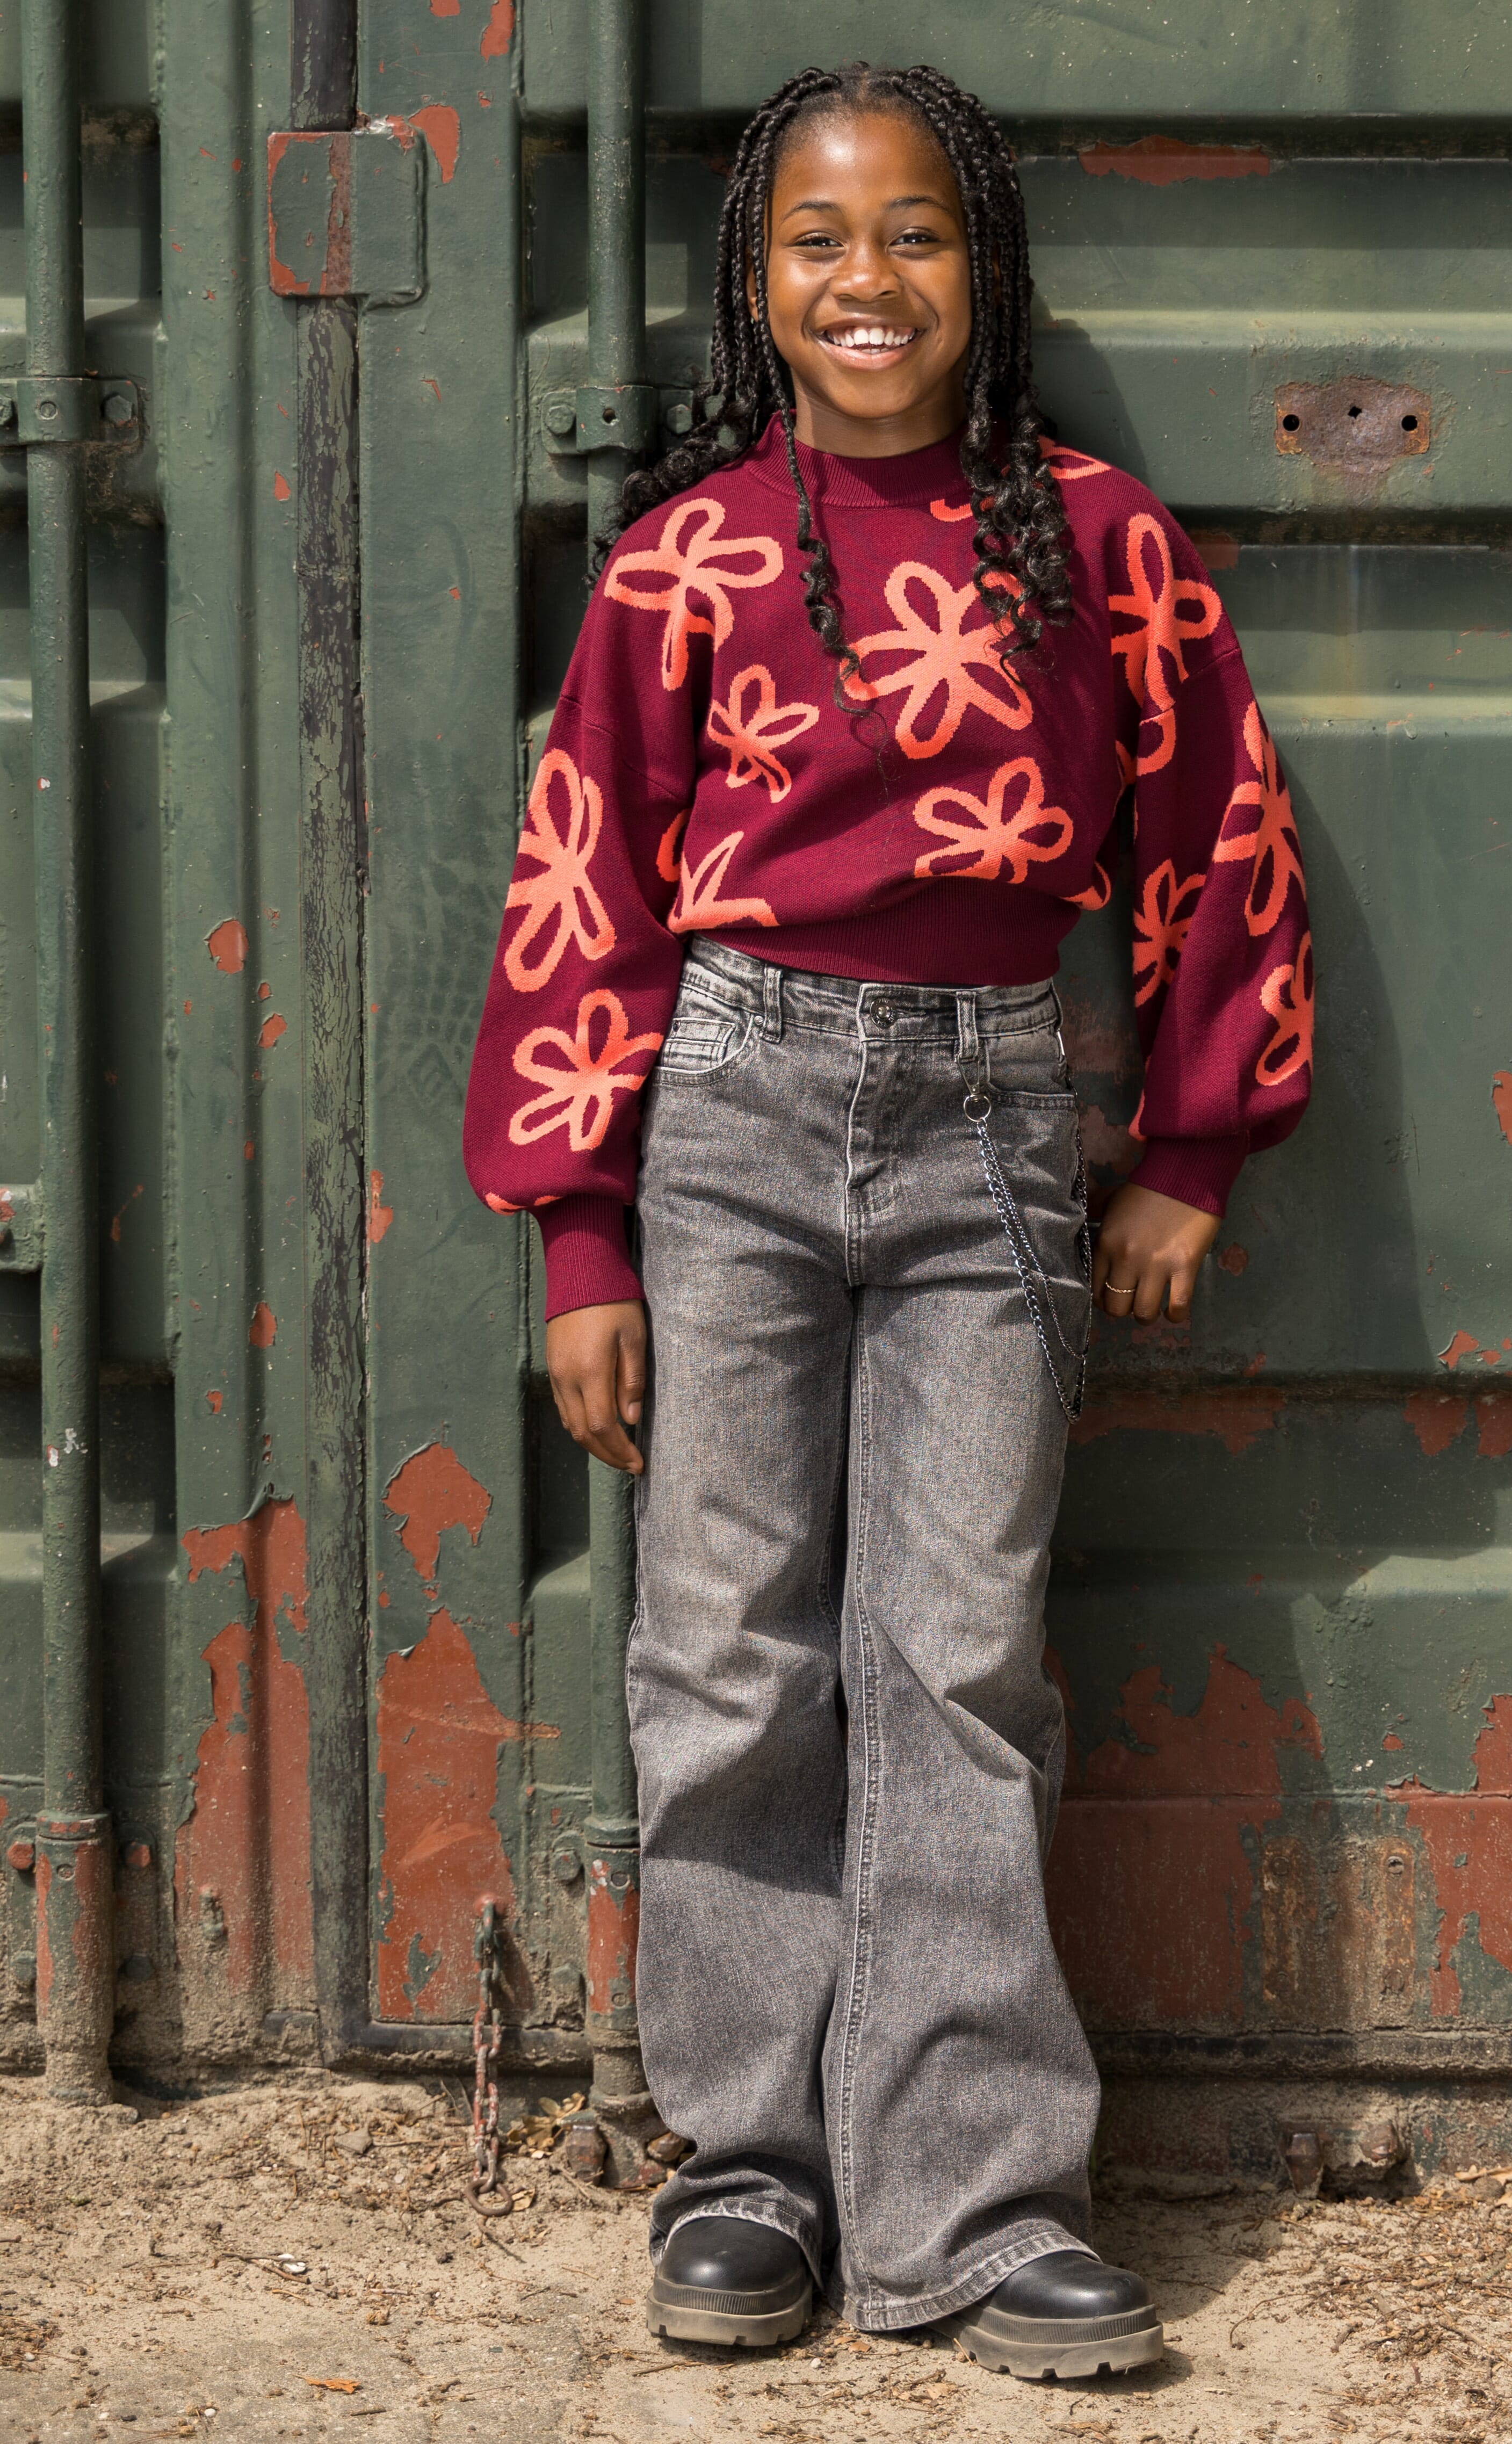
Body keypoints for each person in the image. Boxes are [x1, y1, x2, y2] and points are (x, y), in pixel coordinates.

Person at [462, 59, 1313, 2381]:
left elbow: (1218, 831)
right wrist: (579, 1234)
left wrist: (1192, 1151)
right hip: (730, 1118)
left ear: (985, 268)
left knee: (958, 1656)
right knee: (727, 1644)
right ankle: (748, 2162)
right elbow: (581, 883)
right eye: (819, 239)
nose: (870, 280)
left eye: (916, 233)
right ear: (756, 279)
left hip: (995, 1138)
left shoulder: (1098, 543)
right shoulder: (690, 557)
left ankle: (972, 2197)